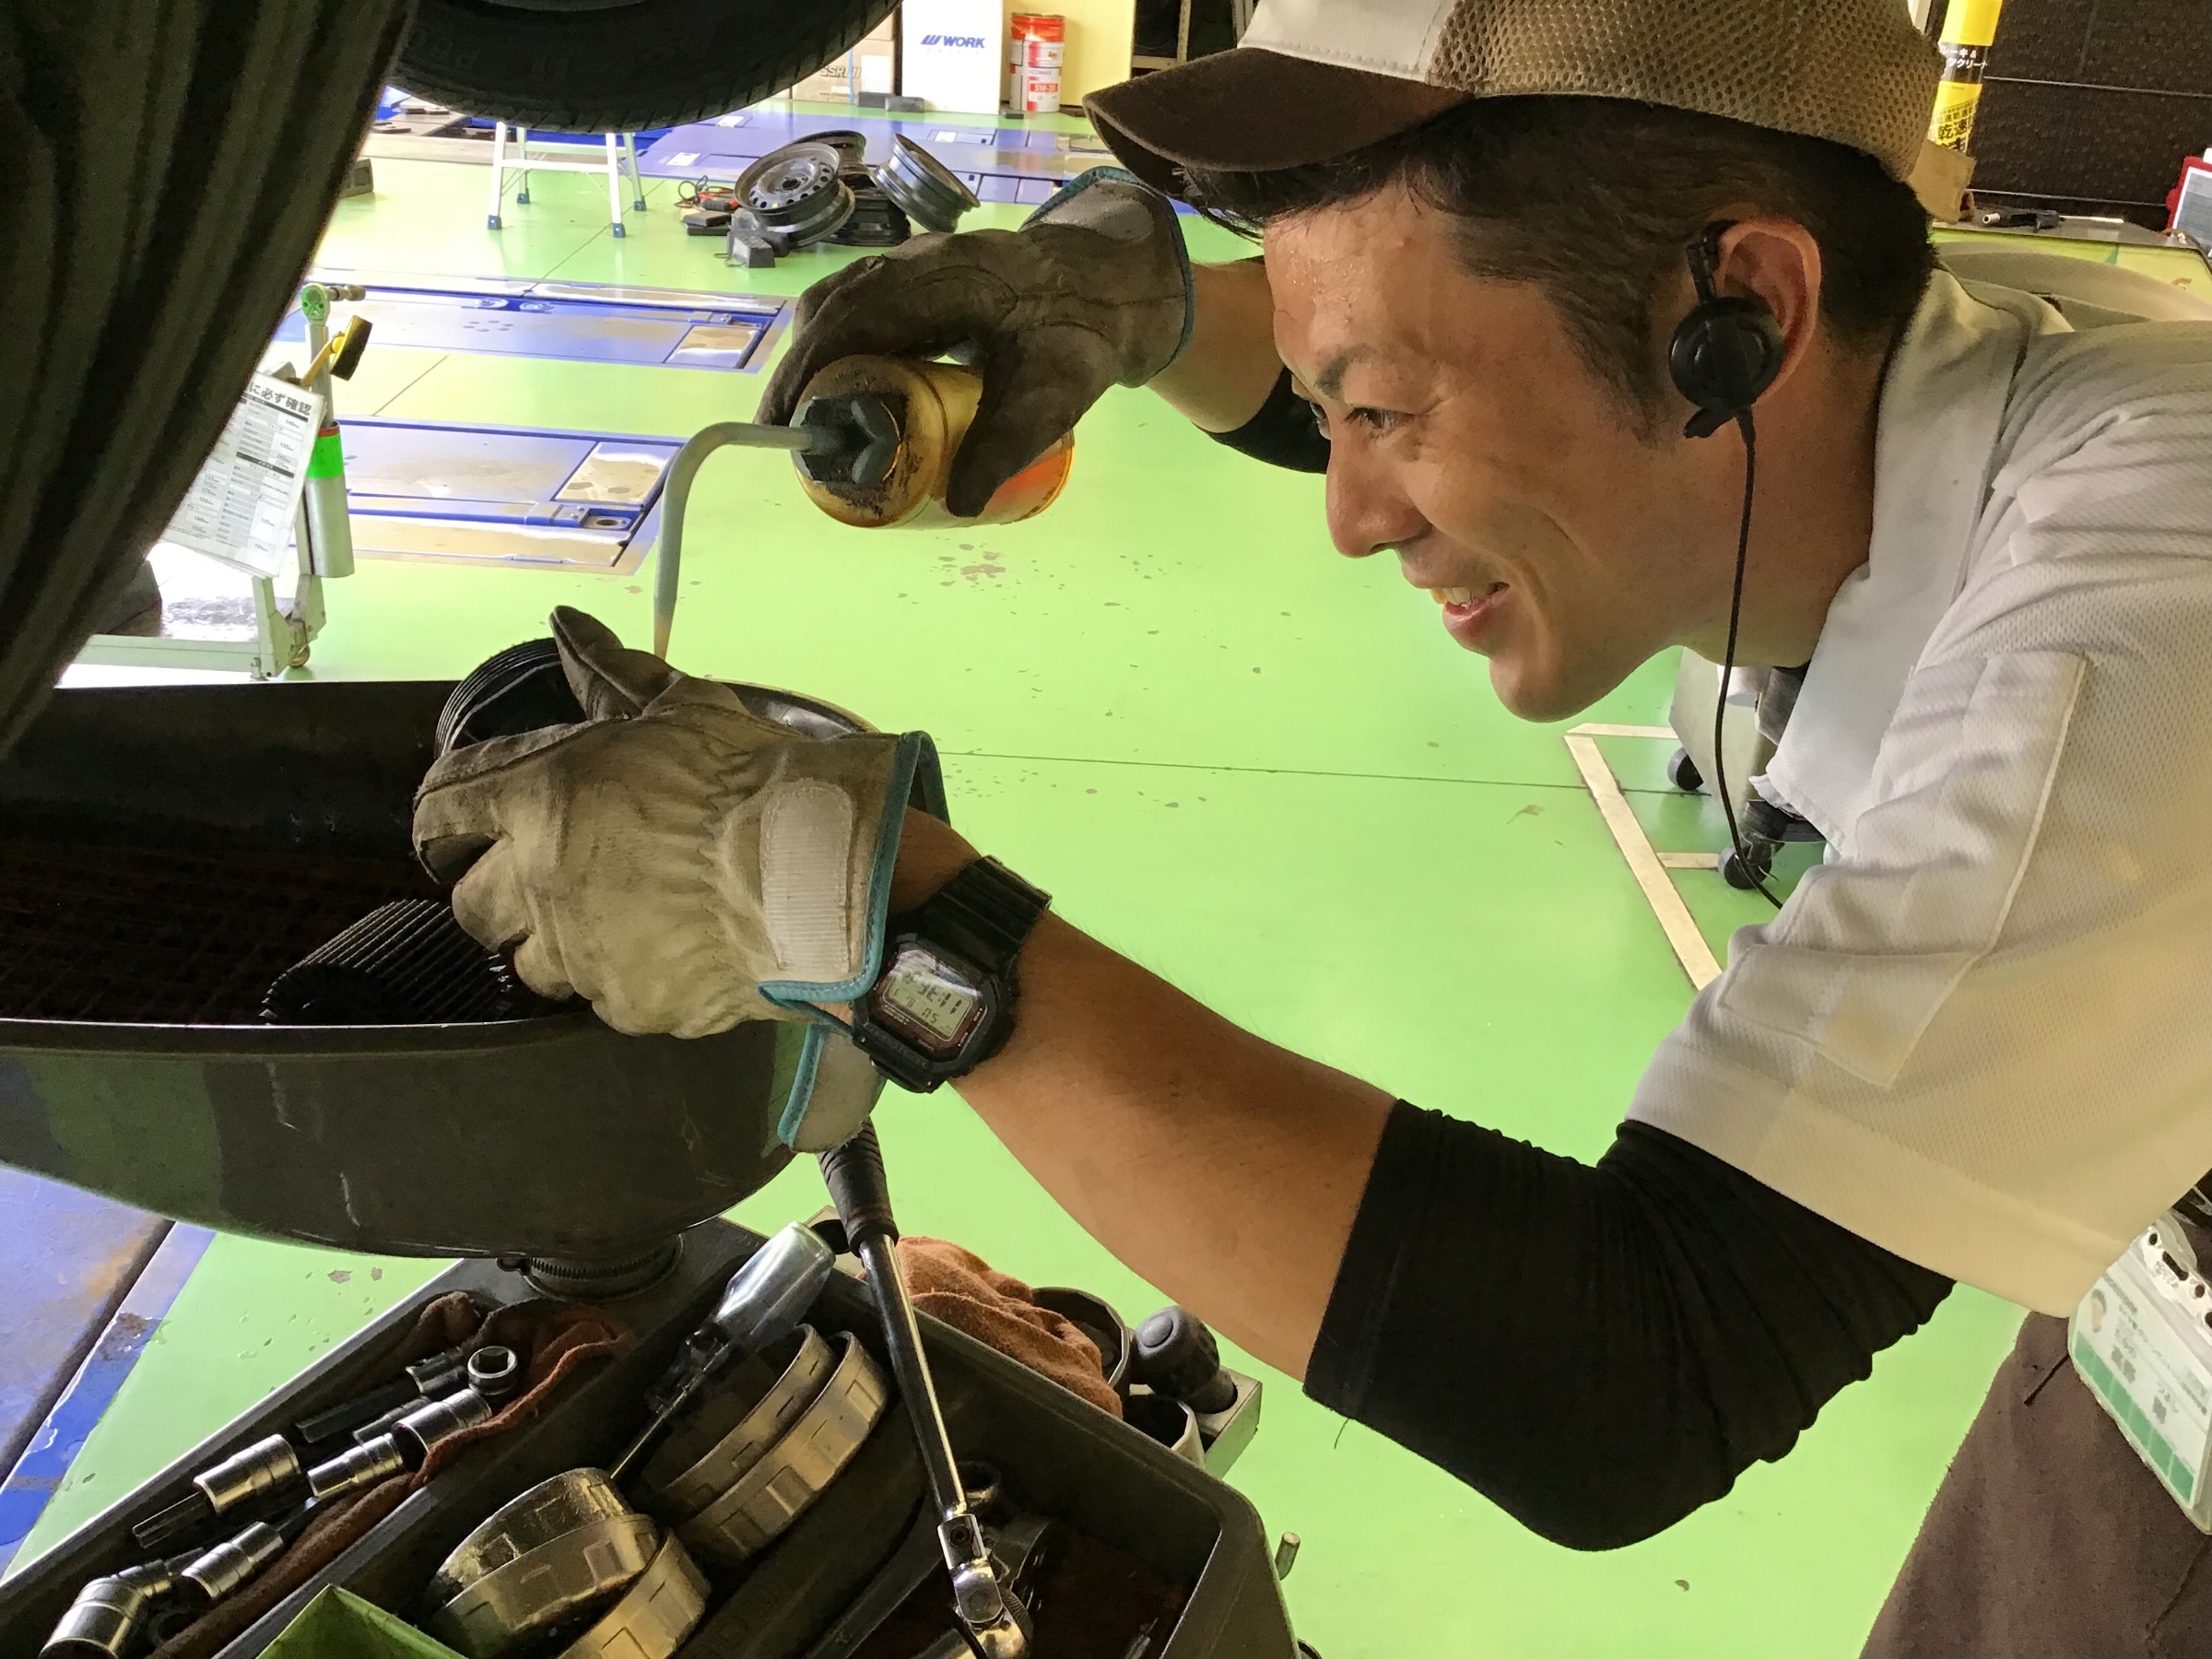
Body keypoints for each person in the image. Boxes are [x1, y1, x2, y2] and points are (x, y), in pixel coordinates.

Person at [410, 0, 2212, 1650]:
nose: (1351, 511)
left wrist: (856, 908)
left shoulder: (2139, 622)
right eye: (1333, 401)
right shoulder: (1932, 367)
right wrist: (1145, 315)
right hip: (2145, 1305)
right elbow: (1455, 351)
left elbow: (1637, 1372)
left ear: (1737, 312)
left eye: (1386, 411)